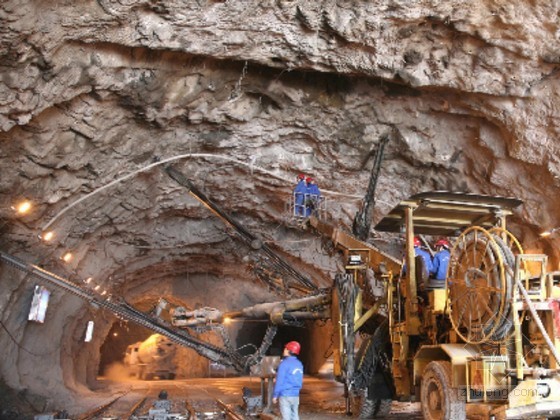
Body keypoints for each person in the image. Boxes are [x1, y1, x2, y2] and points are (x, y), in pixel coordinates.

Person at [273, 341, 304, 420]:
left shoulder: (284, 364)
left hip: (285, 395)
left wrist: (275, 395)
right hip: (295, 395)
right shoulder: (299, 364)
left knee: (286, 417)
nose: (284, 350)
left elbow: (279, 381)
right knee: (295, 416)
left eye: (285, 349)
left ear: (289, 351)